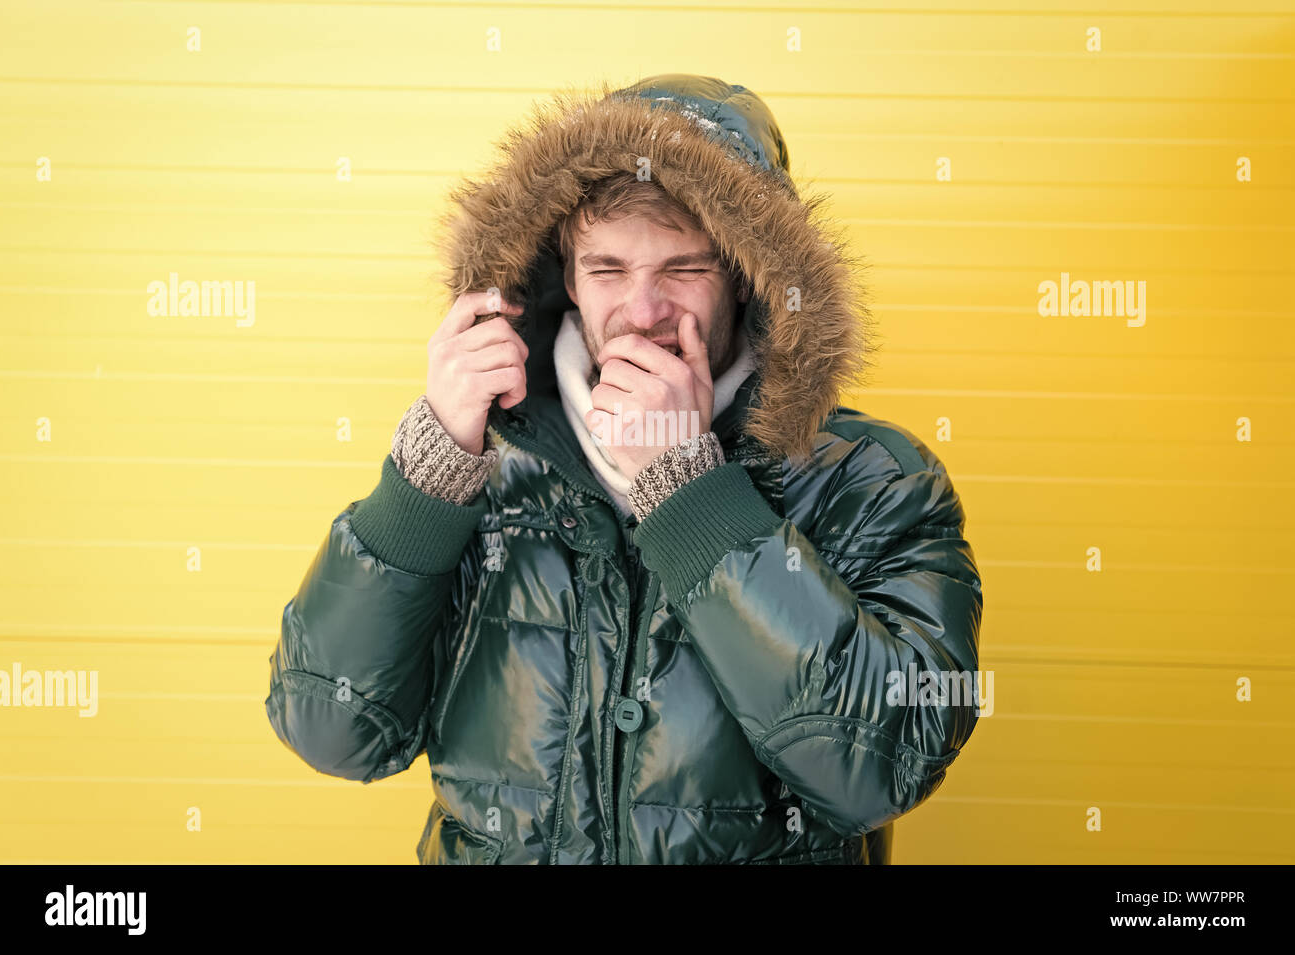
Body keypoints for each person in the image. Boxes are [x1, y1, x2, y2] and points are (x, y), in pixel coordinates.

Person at [265, 74, 984, 864]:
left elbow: (882, 766)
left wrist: (690, 494)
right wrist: (428, 471)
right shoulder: (480, 469)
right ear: (564, 278)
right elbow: (332, 729)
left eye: (683, 269)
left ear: (744, 277)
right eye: (608, 269)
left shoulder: (872, 481)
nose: (641, 312)